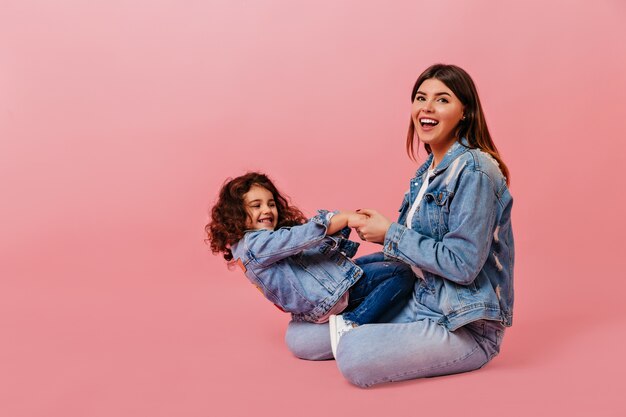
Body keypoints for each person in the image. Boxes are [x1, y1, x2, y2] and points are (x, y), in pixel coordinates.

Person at [284, 64, 515, 387]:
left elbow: (463, 264)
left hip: (463, 324)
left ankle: (384, 339)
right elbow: (416, 251)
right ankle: (387, 334)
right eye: (421, 98)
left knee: (355, 353)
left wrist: (390, 233)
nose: (427, 108)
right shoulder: (426, 174)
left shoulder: (475, 170)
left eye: (442, 100)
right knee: (301, 337)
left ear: (465, 112)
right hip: (420, 299)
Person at [205, 172, 416, 356]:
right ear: (237, 214)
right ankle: (352, 324)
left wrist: (338, 232)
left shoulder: (256, 244)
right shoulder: (255, 245)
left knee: (384, 258)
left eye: (271, 204)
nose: (267, 210)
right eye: (256, 206)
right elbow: (302, 236)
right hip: (330, 297)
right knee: (402, 273)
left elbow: (311, 257)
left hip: (330, 288)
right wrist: (342, 219)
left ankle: (366, 310)